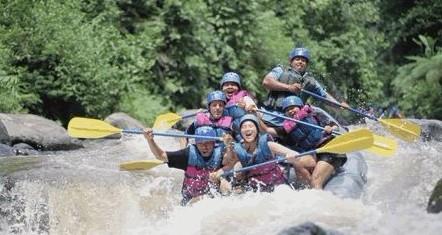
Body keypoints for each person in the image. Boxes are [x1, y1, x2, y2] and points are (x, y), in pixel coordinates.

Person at [262, 96, 347, 189]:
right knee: (297, 160)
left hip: (330, 149)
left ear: (300, 106)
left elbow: (334, 125)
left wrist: (330, 128)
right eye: (287, 110)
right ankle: (309, 188)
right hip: (315, 154)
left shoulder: (314, 113)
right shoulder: (287, 128)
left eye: (293, 107)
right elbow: (267, 129)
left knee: (316, 181)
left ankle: (316, 187)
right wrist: (253, 113)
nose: (290, 111)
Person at [211, 114, 310, 193]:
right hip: (257, 192)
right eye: (244, 127)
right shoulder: (238, 150)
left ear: (257, 130)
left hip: (279, 188)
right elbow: (227, 164)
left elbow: (294, 154)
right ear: (241, 132)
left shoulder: (269, 145)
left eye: (250, 126)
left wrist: (292, 156)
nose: (247, 129)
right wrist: (219, 176)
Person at [144, 126, 232, 205]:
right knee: (197, 200)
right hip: (189, 199)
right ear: (196, 143)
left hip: (213, 196)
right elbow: (161, 156)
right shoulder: (187, 154)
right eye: (201, 143)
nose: (204, 146)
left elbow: (232, 161)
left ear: (213, 143)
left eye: (208, 143)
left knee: (226, 186)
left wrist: (229, 145)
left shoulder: (220, 153)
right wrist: (150, 140)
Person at [261, 47, 348, 126]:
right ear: (291, 62)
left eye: (303, 60)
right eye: (297, 59)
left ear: (306, 64)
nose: (300, 62)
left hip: (294, 121)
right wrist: (289, 87)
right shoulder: (280, 70)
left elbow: (324, 96)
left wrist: (339, 105)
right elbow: (266, 82)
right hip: (272, 116)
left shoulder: (310, 81)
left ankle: (338, 131)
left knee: (316, 111)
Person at [219, 72, 257, 140]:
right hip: (229, 133)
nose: (230, 87)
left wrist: (249, 109)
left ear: (238, 88)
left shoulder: (245, 98)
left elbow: (254, 112)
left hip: (245, 132)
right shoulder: (219, 102)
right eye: (226, 85)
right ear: (222, 88)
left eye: (233, 85)